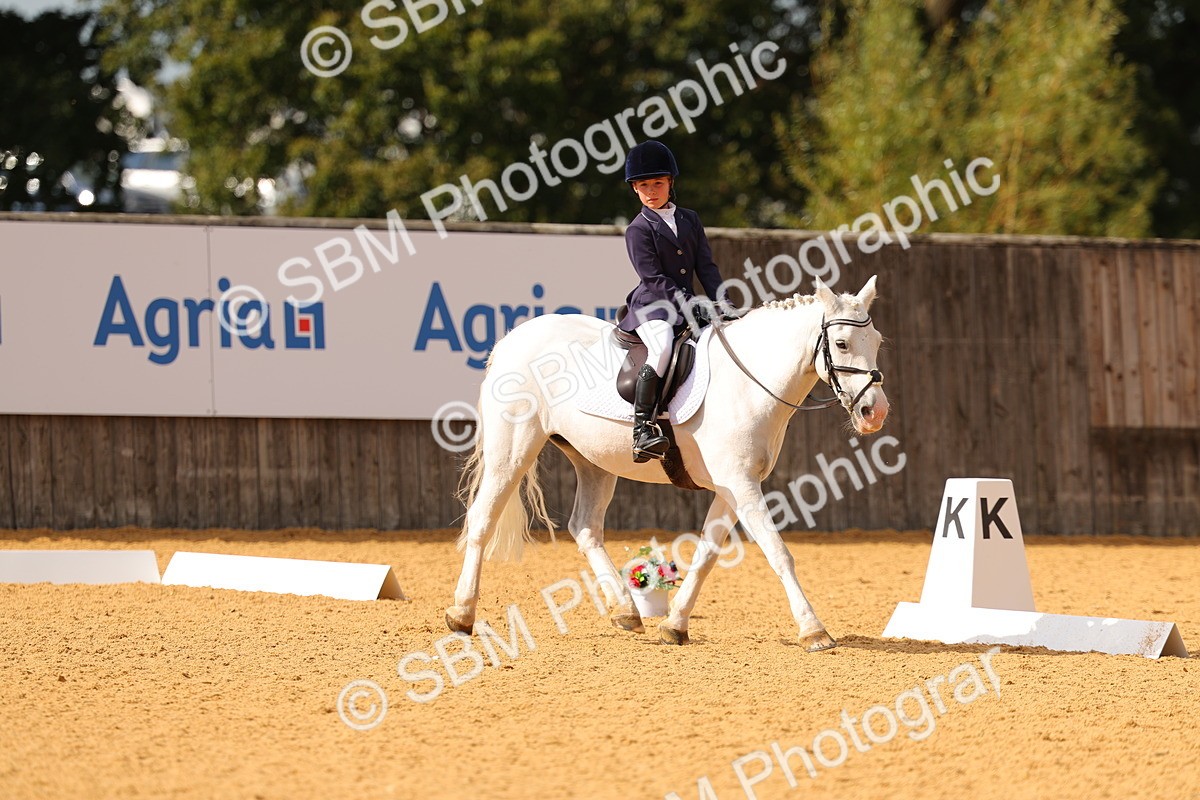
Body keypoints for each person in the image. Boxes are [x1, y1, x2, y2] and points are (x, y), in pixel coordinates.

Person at [618, 140, 733, 463]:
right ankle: (642, 428)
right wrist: (688, 302)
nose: (652, 191)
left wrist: (723, 303)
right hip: (653, 306)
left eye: (658, 183)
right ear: (635, 189)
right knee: (663, 347)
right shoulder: (638, 229)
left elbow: (706, 267)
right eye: (644, 186)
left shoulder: (690, 220)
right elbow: (653, 278)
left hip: (686, 304)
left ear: (670, 183)